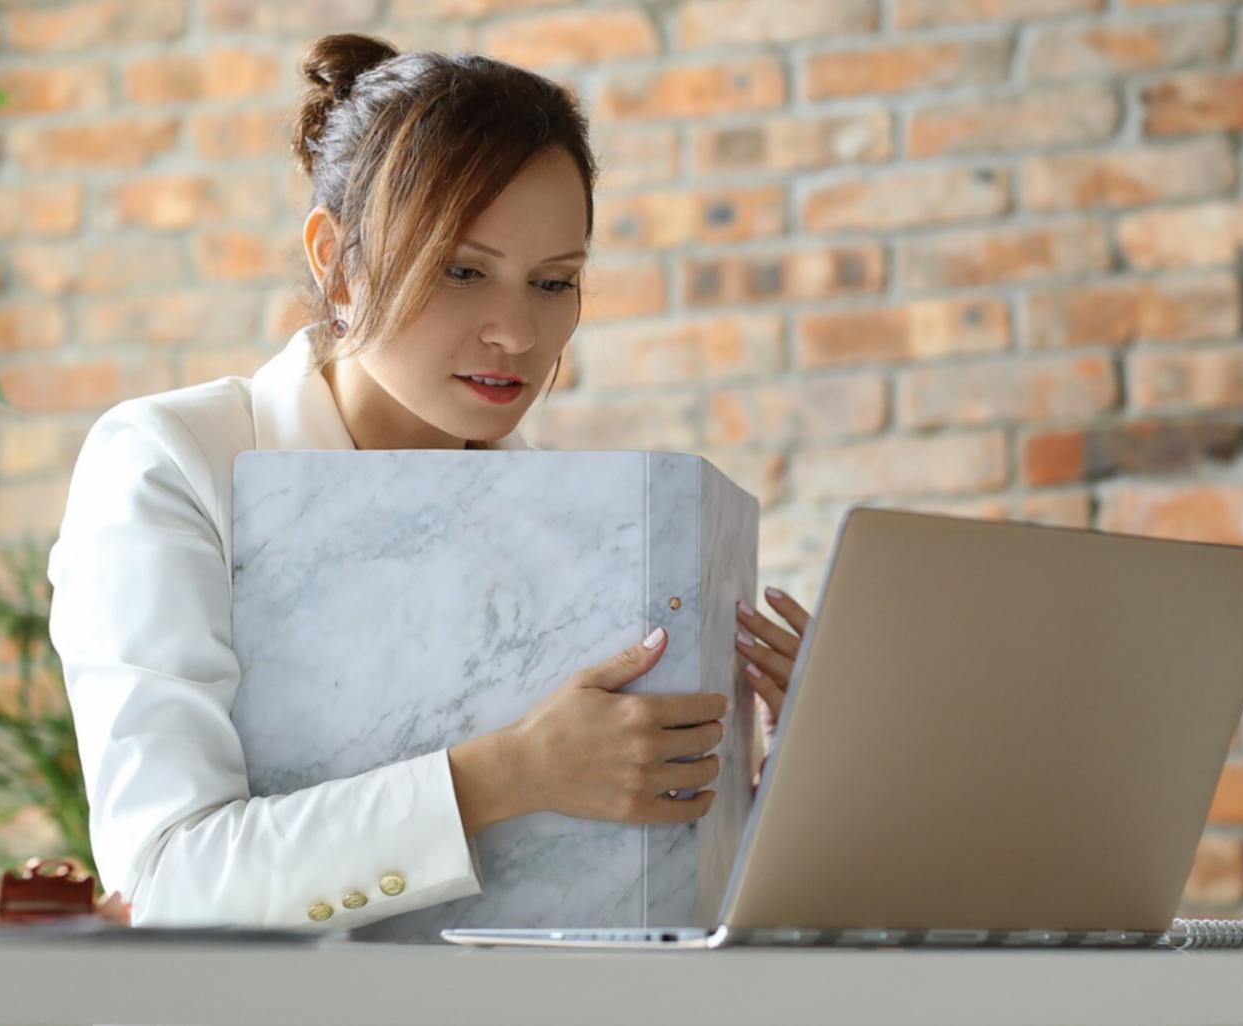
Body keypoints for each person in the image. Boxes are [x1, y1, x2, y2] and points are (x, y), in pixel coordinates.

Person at [45, 33, 810, 932]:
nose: (517, 334)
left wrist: (779, 778)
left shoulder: (590, 529)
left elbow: (628, 903)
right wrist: (506, 774)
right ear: (336, 260)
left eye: (554, 283)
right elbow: (168, 880)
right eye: (462, 271)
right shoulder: (172, 463)